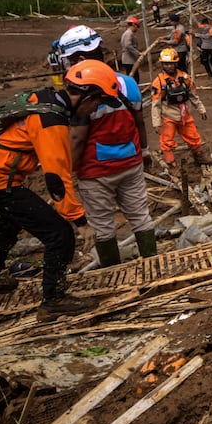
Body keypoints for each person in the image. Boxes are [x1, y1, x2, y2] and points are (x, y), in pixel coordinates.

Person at [0, 60, 116, 320]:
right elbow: (57, 178)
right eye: (98, 102)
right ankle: (53, 299)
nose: (96, 109)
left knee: (10, 221)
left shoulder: (44, 98)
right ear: (88, 96)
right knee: (59, 234)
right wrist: (80, 221)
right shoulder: (51, 121)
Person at [56, 30, 156, 268]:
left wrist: (68, 172)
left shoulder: (81, 91)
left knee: (102, 226)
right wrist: (144, 151)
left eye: (70, 60)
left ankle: (112, 271)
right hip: (131, 162)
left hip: (95, 171)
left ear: (79, 58)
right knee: (140, 216)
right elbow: (139, 122)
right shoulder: (128, 83)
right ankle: (153, 262)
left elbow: (77, 139)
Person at [150, 48, 210, 167]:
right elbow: (156, 104)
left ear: (176, 63)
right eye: (166, 64)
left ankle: (199, 156)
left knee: (193, 137)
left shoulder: (185, 78)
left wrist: (201, 109)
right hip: (168, 117)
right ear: (162, 65)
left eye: (171, 64)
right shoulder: (159, 82)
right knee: (167, 141)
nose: (169, 66)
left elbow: (193, 95)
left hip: (184, 115)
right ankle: (171, 163)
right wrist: (156, 123)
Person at [119, 16, 142, 81]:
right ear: (133, 25)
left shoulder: (127, 33)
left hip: (128, 59)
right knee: (134, 78)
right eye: (137, 26)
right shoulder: (129, 34)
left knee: (133, 76)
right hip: (129, 59)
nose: (137, 28)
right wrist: (138, 53)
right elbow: (128, 45)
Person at [194, 16, 212, 83]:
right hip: (206, 47)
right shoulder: (207, 27)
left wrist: (195, 34)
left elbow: (206, 36)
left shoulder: (209, 28)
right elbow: (198, 24)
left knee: (209, 61)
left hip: (209, 47)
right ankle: (210, 73)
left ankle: (211, 73)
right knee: (206, 61)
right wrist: (193, 17)